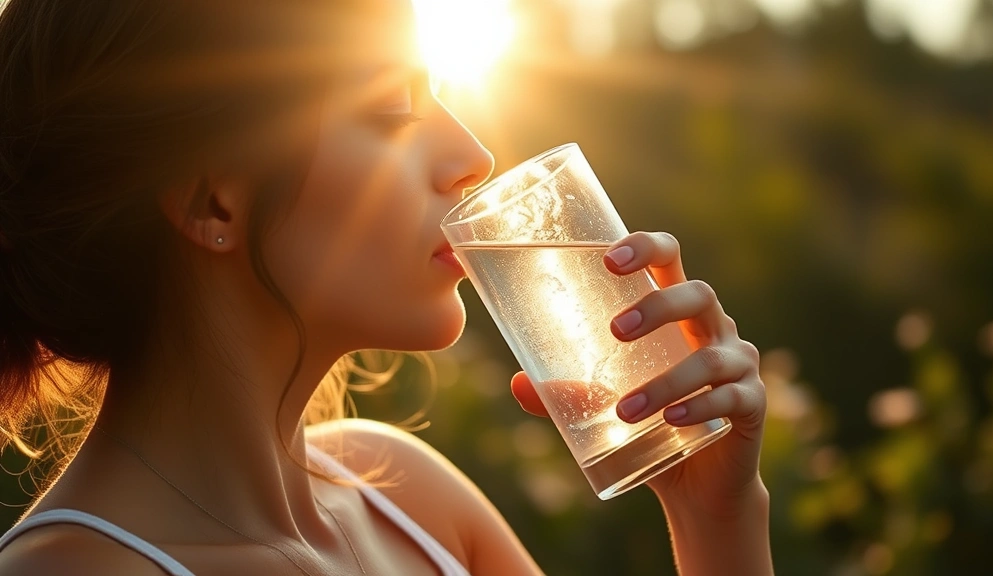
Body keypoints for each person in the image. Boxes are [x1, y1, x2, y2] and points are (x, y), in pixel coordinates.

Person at [0, 0, 772, 574]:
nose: (472, 154)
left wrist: (713, 516)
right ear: (214, 202)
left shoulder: (407, 504)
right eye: (391, 108)